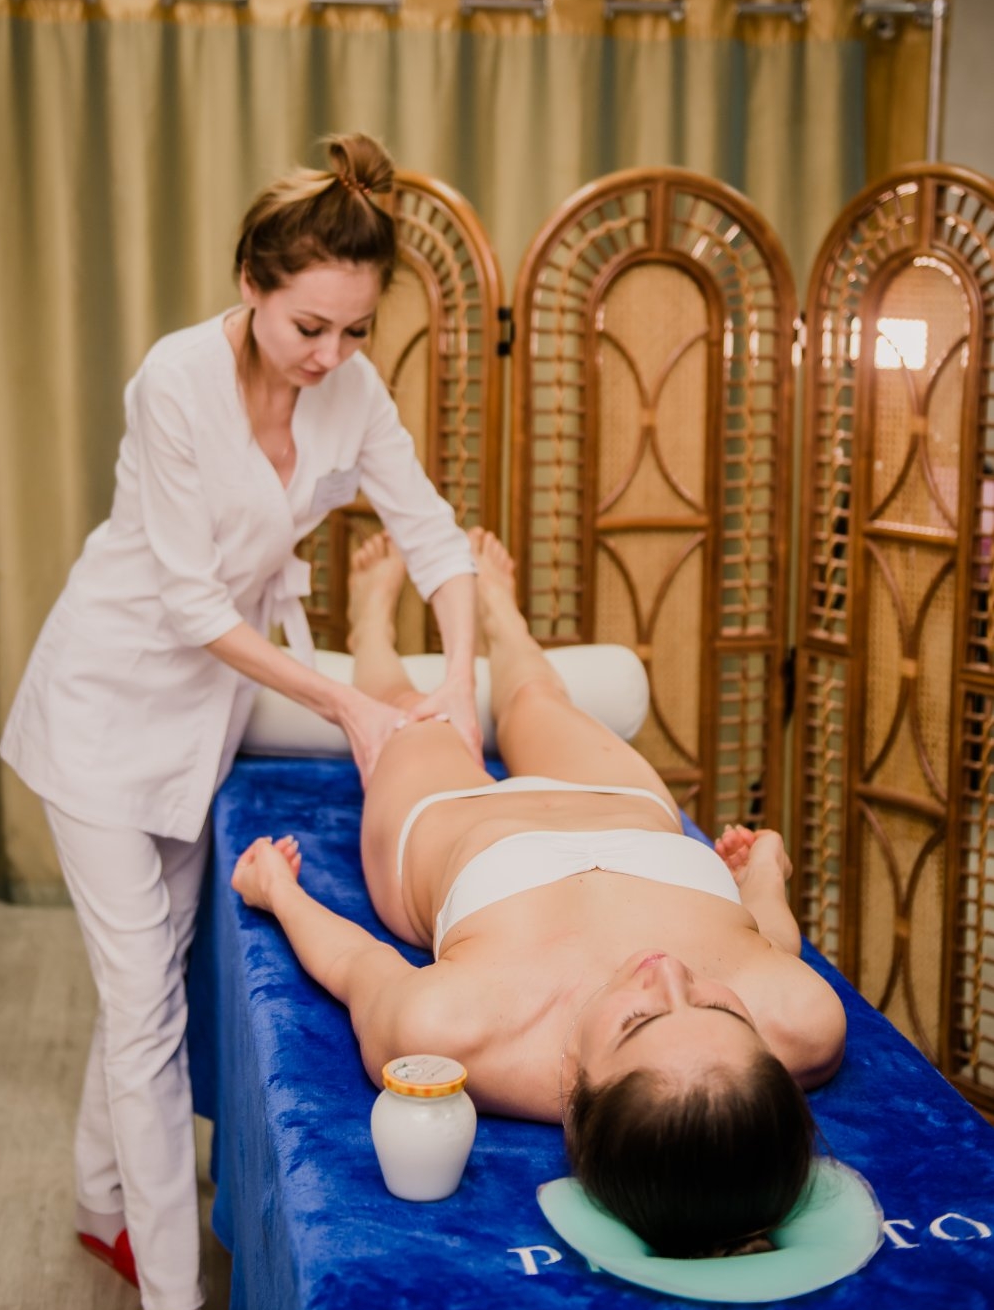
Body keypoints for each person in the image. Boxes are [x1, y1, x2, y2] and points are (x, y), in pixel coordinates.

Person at [0, 135, 479, 1310]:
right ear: (251, 285)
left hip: (203, 717)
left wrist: (456, 676)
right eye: (308, 326)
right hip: (106, 708)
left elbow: (432, 534)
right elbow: (187, 603)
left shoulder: (350, 389)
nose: (330, 354)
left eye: (355, 329)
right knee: (143, 1007)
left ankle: (100, 1199)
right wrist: (349, 703)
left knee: (145, 964)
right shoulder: (173, 380)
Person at [233, 529, 847, 1264]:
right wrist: (765, 872)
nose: (667, 972)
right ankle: (503, 616)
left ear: (580, 1100)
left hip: (454, 828)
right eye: (720, 1009)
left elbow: (359, 967)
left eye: (638, 1021)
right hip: (623, 804)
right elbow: (767, 941)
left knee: (406, 715)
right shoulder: (805, 1021)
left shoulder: (457, 1030)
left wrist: (278, 893)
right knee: (535, 696)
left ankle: (370, 622)